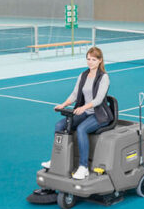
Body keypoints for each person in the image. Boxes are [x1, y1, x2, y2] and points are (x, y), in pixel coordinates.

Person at [41, 46, 111, 179]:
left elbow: (98, 100)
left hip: (100, 114)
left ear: (100, 60)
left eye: (93, 59)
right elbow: (74, 95)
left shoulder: (104, 77)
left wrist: (84, 107)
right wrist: (63, 104)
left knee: (81, 129)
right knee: (59, 125)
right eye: (88, 59)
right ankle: (56, 160)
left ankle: (83, 167)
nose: (90, 62)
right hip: (85, 111)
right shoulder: (83, 75)